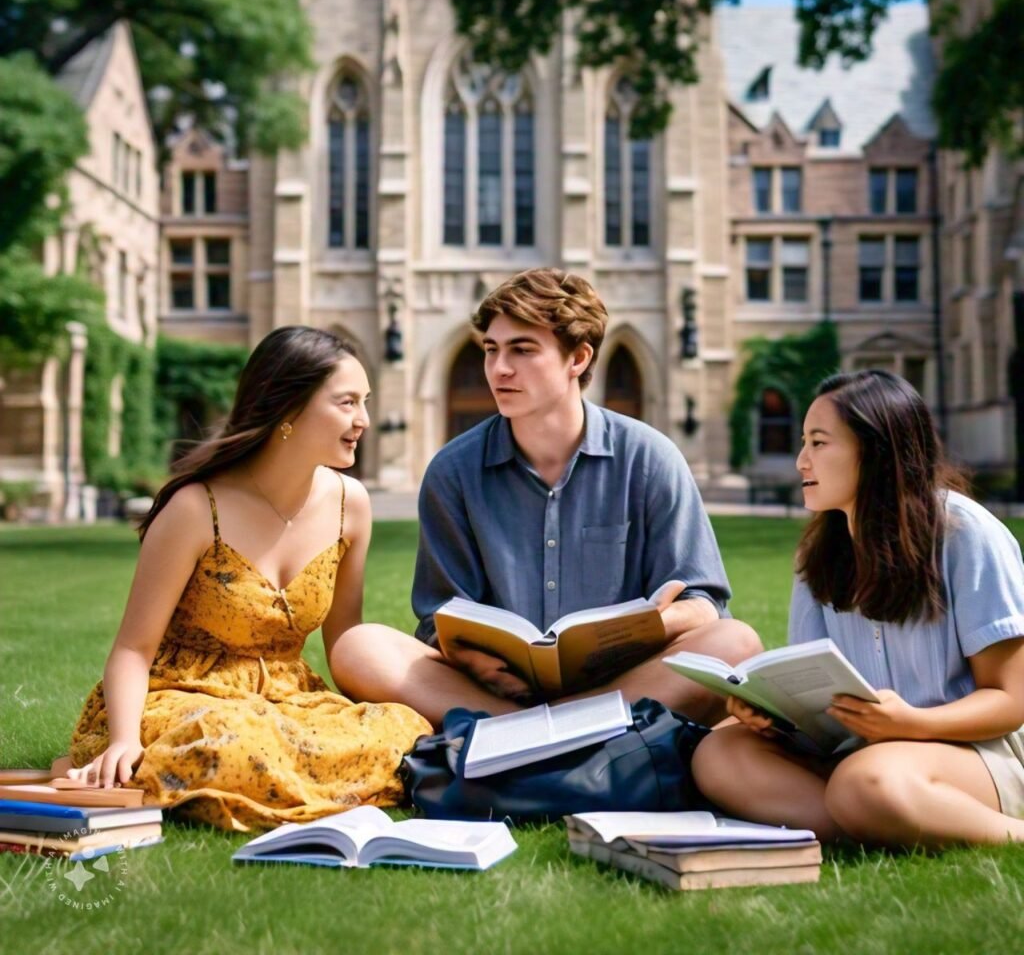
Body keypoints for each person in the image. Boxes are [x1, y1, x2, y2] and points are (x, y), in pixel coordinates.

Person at [333, 268, 762, 727]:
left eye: (522, 350)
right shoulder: (452, 471)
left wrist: (653, 626)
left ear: (577, 358)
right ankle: (570, 732)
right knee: (360, 648)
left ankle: (538, 736)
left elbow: (705, 602)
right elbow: (439, 616)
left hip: (625, 680)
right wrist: (475, 661)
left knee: (736, 642)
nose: (499, 369)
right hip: (498, 692)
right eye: (491, 350)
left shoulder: (650, 457)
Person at [67, 327, 431, 831]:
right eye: (347, 403)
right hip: (187, 697)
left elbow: (344, 637)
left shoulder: (352, 504)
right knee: (227, 740)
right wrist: (125, 740)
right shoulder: (196, 508)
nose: (363, 421)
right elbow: (133, 649)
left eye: (365, 403)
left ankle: (286, 772)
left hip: (285, 700)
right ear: (289, 409)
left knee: (403, 730)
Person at [692, 370, 1024, 848]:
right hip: (861, 751)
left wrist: (911, 723)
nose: (801, 460)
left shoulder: (965, 535)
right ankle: (879, 819)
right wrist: (771, 712)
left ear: (874, 450)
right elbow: (816, 702)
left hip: (972, 751)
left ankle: (979, 827)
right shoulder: (819, 554)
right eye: (804, 442)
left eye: (819, 444)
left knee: (863, 781)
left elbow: (1010, 702)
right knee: (718, 752)